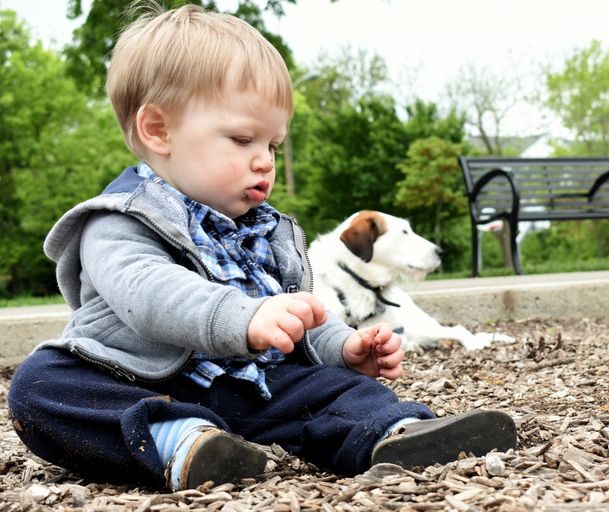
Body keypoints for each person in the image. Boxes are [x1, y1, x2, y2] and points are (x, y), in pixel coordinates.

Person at [7, 4, 517, 491]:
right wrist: (245, 316)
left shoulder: (265, 231)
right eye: (242, 139)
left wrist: (342, 347)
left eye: (272, 145)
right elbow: (150, 293)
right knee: (40, 388)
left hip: (249, 388)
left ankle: (395, 433)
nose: (264, 162)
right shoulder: (117, 221)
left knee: (334, 391)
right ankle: (176, 441)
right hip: (143, 378)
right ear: (159, 129)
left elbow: (302, 313)